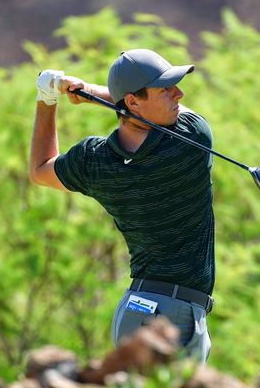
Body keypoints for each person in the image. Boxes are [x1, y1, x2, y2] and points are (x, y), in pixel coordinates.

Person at [29, 49, 215, 362]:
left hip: (134, 309)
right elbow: (181, 114)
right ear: (131, 101)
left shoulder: (94, 160)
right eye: (165, 89)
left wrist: (47, 99)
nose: (178, 94)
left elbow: (41, 169)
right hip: (175, 317)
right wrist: (90, 91)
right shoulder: (191, 140)